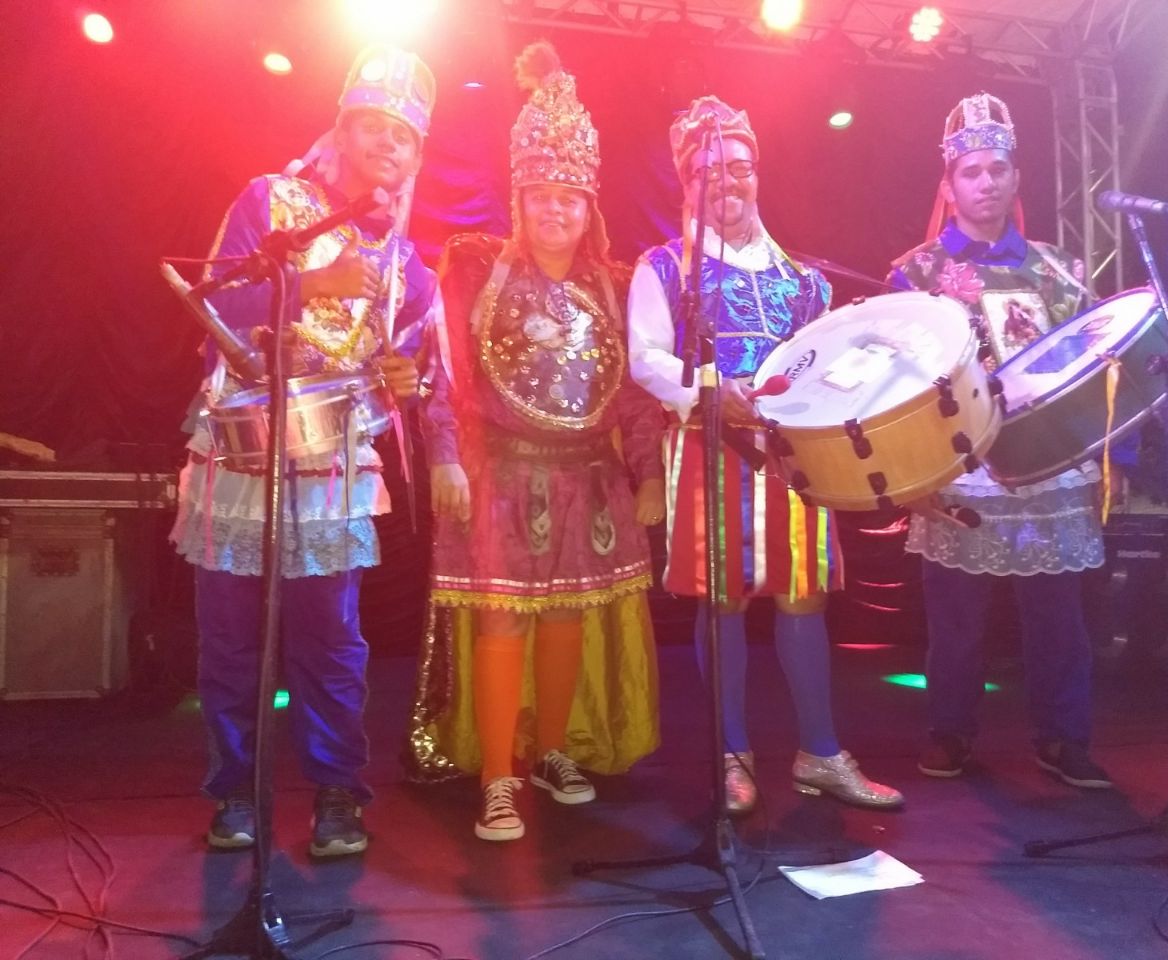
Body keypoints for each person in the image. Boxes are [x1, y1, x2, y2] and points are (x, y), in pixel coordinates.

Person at [169, 45, 438, 855]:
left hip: (331, 461)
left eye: (405, 136)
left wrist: (405, 378)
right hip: (240, 453)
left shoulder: (409, 266)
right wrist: (310, 285)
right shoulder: (271, 201)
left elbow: (406, 368)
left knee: (331, 639)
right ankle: (236, 792)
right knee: (230, 636)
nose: (388, 143)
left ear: (415, 159)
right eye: (374, 125)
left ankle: (336, 794)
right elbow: (213, 302)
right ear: (341, 129)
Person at [628, 96, 903, 816]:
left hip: (790, 457)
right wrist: (711, 387)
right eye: (710, 171)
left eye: (741, 168)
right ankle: (731, 754)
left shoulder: (806, 281)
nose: (728, 181)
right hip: (711, 449)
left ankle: (820, 752)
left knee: (803, 592)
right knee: (721, 598)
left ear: (758, 175)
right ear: (687, 184)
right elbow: (645, 357)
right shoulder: (665, 269)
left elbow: (825, 363)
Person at [420, 41, 667, 842]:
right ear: (519, 202)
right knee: (504, 621)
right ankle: (498, 777)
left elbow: (635, 393)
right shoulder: (474, 270)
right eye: (541, 198)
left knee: (566, 617)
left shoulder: (615, 286)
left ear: (589, 207)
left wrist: (650, 472)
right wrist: (445, 455)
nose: (556, 211)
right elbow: (445, 370)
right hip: (503, 473)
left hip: (589, 480)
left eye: (570, 198)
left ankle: (553, 750)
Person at [887, 92, 1114, 789]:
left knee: (1058, 616)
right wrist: (910, 471)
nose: (985, 182)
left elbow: (1096, 368)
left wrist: (1109, 455)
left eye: (997, 169)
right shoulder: (916, 274)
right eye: (971, 171)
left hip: (1050, 464)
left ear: (1016, 178)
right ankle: (950, 729)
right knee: (955, 615)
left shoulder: (1060, 270)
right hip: (960, 465)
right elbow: (894, 383)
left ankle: (1063, 737)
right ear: (949, 185)